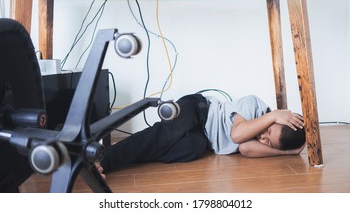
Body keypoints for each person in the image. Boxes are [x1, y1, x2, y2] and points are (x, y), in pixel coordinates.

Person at [99, 93, 305, 174]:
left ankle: (128, 153)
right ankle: (102, 159)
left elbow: (245, 148)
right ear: (274, 118)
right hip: (198, 110)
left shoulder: (259, 139)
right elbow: (237, 136)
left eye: (268, 143)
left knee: (190, 150)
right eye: (268, 130)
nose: (263, 138)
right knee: (165, 136)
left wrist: (286, 154)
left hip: (203, 139)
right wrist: (273, 116)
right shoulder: (255, 105)